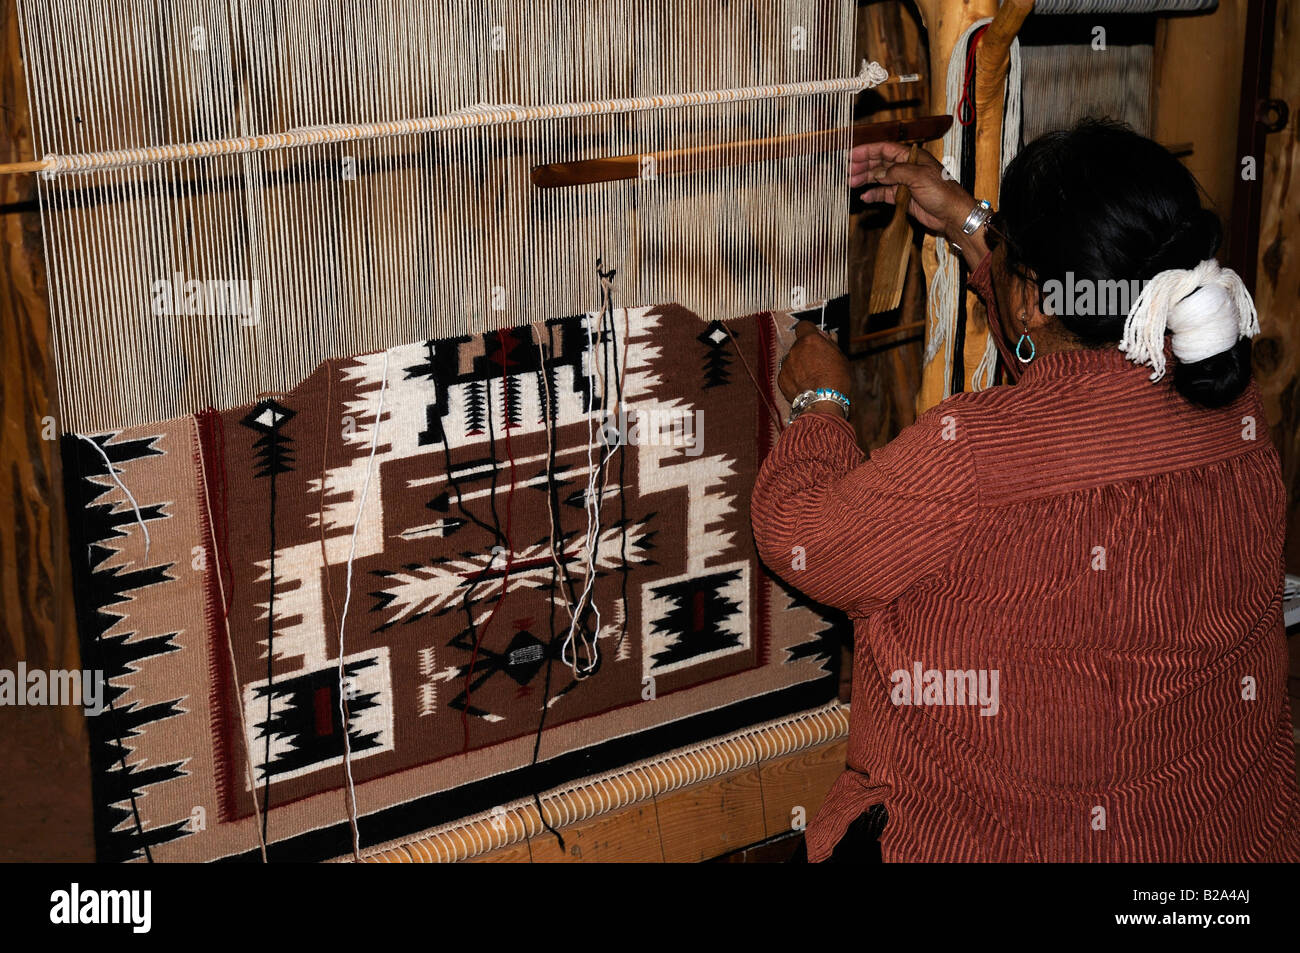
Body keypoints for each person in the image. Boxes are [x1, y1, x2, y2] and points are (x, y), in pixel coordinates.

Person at [755, 119, 1299, 862]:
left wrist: (822, 404)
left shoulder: (971, 454)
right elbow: (1083, 377)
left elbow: (802, 533)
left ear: (1036, 297)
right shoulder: (1234, 404)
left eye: (1009, 247)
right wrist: (971, 224)